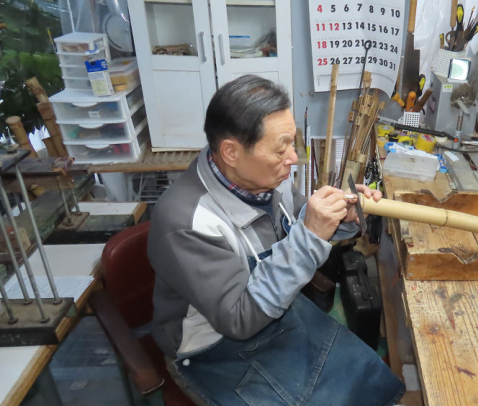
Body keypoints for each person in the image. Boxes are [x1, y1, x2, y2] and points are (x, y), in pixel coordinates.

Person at [148, 75, 405, 405]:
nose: (293, 158)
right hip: (214, 348)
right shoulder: (187, 222)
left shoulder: (264, 179)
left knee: (363, 378)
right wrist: (311, 235)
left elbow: (296, 221)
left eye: (292, 143)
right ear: (231, 151)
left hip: (272, 309)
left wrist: (338, 219)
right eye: (280, 148)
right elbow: (239, 319)